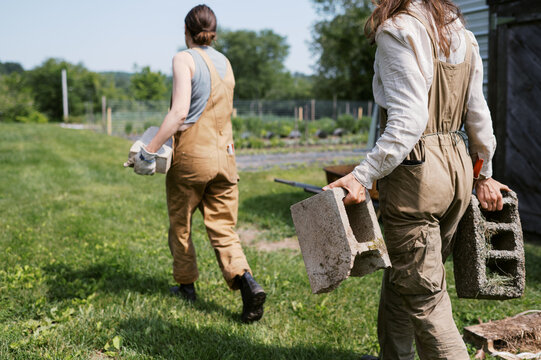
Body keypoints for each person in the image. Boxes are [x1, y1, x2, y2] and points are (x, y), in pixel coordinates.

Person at [324, 0, 510, 358]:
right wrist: (483, 173)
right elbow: (479, 116)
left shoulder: (397, 30)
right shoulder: (462, 35)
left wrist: (361, 175)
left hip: (417, 177)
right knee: (405, 276)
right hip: (455, 169)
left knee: (426, 297)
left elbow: (409, 120)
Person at [127, 4, 266, 323]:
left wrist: (149, 149)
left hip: (192, 157)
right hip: (226, 158)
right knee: (223, 228)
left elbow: (178, 114)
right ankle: (246, 283)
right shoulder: (226, 63)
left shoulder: (183, 58)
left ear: (186, 31)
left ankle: (186, 286)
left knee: (181, 224)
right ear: (212, 31)